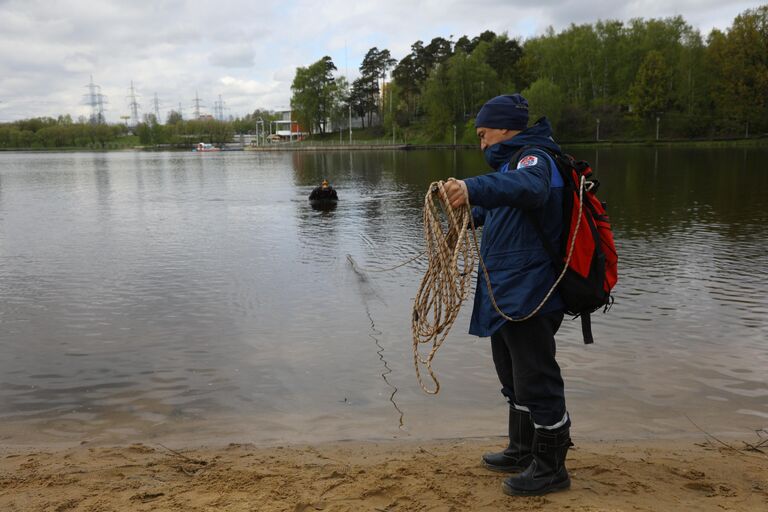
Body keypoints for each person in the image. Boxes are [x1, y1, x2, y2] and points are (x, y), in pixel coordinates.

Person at [442, 94, 571, 496]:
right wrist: (459, 208)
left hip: (532, 293)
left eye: (483, 134)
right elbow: (496, 207)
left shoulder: (536, 160)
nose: (481, 144)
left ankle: (552, 468)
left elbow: (530, 190)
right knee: (512, 376)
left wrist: (472, 186)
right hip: (505, 294)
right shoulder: (508, 170)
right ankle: (522, 450)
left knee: (536, 378)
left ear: (504, 128)